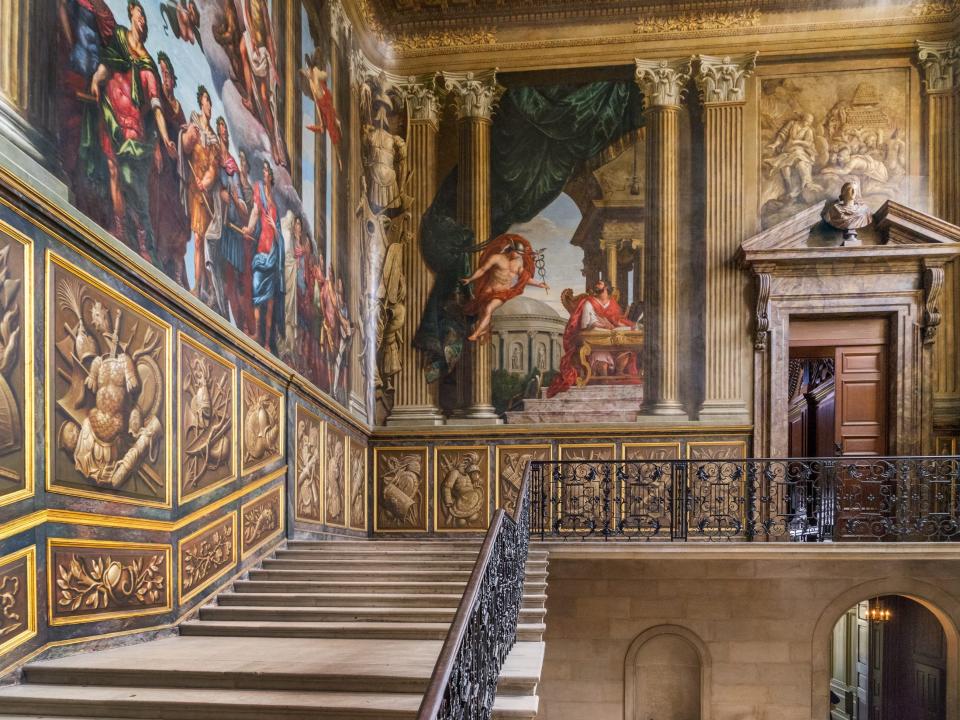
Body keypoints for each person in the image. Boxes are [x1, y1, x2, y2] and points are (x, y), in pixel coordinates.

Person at [88, 0, 177, 260]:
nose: (142, 20)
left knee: (132, 183)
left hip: (133, 129)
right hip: (111, 117)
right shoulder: (118, 38)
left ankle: (141, 236)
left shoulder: (148, 64)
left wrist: (166, 138)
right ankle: (119, 228)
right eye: (139, 14)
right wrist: (95, 79)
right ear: (131, 13)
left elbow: (157, 106)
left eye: (144, 18)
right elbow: (107, 63)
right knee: (114, 172)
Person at [546, 279, 639, 398]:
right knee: (601, 353)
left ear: (606, 287)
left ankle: (618, 373)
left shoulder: (612, 304)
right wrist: (601, 324)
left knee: (626, 351)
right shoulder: (588, 303)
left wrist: (620, 325)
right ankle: (603, 378)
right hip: (595, 341)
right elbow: (585, 324)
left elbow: (617, 320)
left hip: (612, 339)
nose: (596, 285)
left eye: (600, 283)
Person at [460, 233, 548, 343]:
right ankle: (483, 331)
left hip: (502, 293)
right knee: (482, 312)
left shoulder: (517, 265)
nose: (519, 256)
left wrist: (539, 284)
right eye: (517, 253)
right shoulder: (496, 258)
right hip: (487, 290)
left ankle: (476, 334)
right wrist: (470, 279)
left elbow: (525, 278)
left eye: (520, 254)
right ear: (511, 249)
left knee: (489, 309)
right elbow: (482, 270)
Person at [179, 86, 221, 304]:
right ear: (201, 103)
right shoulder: (194, 125)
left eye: (210, 102)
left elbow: (213, 170)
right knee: (196, 239)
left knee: (200, 240)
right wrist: (187, 136)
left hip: (205, 194)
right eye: (207, 101)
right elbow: (185, 148)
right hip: (193, 189)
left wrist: (204, 183)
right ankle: (198, 284)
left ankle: (200, 285)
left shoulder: (213, 140)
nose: (209, 106)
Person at [151, 51, 189, 285]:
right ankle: (160, 258)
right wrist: (158, 144)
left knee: (177, 218)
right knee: (160, 211)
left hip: (175, 172)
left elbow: (184, 139)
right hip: (160, 165)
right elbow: (152, 121)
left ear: (173, 79)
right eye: (162, 72)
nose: (165, 77)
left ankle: (175, 267)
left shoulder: (177, 107)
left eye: (168, 74)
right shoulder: (159, 102)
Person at [242, 161, 285, 351]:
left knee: (269, 301)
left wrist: (275, 228)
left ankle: (267, 342)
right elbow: (254, 211)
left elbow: (280, 237)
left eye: (267, 171)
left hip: (272, 256)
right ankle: (257, 334)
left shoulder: (275, 205)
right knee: (258, 294)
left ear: (271, 177)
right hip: (261, 251)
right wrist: (250, 228)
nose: (264, 172)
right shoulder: (258, 190)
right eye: (264, 170)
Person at [216, 117, 251, 328]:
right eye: (222, 135)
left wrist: (237, 202)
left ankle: (239, 322)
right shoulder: (214, 158)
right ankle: (225, 315)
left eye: (226, 135)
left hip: (234, 228)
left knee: (235, 277)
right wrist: (220, 193)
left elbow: (239, 198)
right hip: (222, 223)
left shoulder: (232, 166)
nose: (224, 138)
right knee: (224, 274)